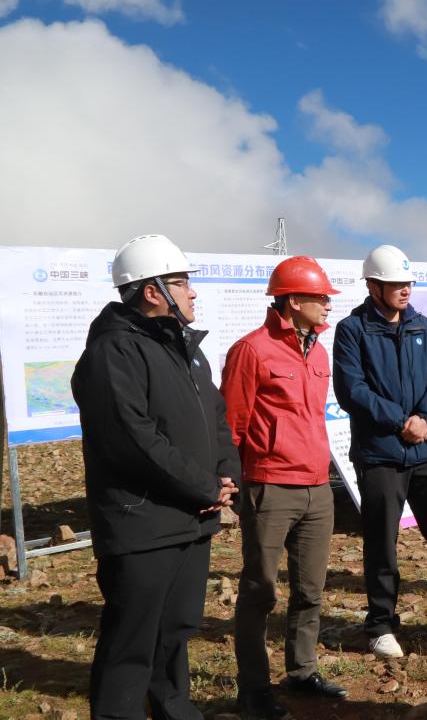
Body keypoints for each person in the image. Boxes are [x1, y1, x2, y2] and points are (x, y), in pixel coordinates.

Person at [72, 234, 240, 720]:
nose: (192, 292)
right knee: (132, 640)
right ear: (152, 291)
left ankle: (175, 709)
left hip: (191, 516)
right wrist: (203, 486)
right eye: (182, 283)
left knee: (175, 630)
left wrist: (227, 474)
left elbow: (216, 417)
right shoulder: (114, 351)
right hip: (142, 522)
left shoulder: (184, 348)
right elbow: (133, 439)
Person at [332, 245, 427, 659]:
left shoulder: (422, 325)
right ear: (373, 286)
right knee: (382, 541)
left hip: (426, 449)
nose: (405, 290)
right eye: (396, 284)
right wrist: (402, 421)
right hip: (380, 453)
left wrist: (425, 418)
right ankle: (381, 624)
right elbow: (352, 390)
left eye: (408, 283)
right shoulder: (352, 330)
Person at [221, 256, 347, 718]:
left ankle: (302, 670)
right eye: (321, 297)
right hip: (270, 487)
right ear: (293, 300)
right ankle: (253, 689)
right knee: (260, 591)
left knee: (310, 589)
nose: (328, 304)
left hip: (317, 487)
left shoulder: (319, 352)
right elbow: (231, 423)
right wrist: (232, 483)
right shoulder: (251, 350)